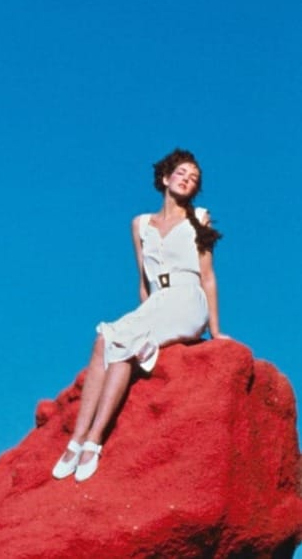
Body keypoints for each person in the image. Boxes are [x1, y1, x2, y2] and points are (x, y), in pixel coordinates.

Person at [51, 149, 225, 483]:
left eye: (194, 178)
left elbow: (208, 276)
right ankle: (76, 439)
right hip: (157, 303)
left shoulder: (198, 217)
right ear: (165, 178)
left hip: (187, 300)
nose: (188, 179)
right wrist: (142, 314)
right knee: (105, 340)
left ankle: (95, 440)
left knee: (125, 343)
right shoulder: (140, 224)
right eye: (182, 173)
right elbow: (143, 281)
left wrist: (215, 331)